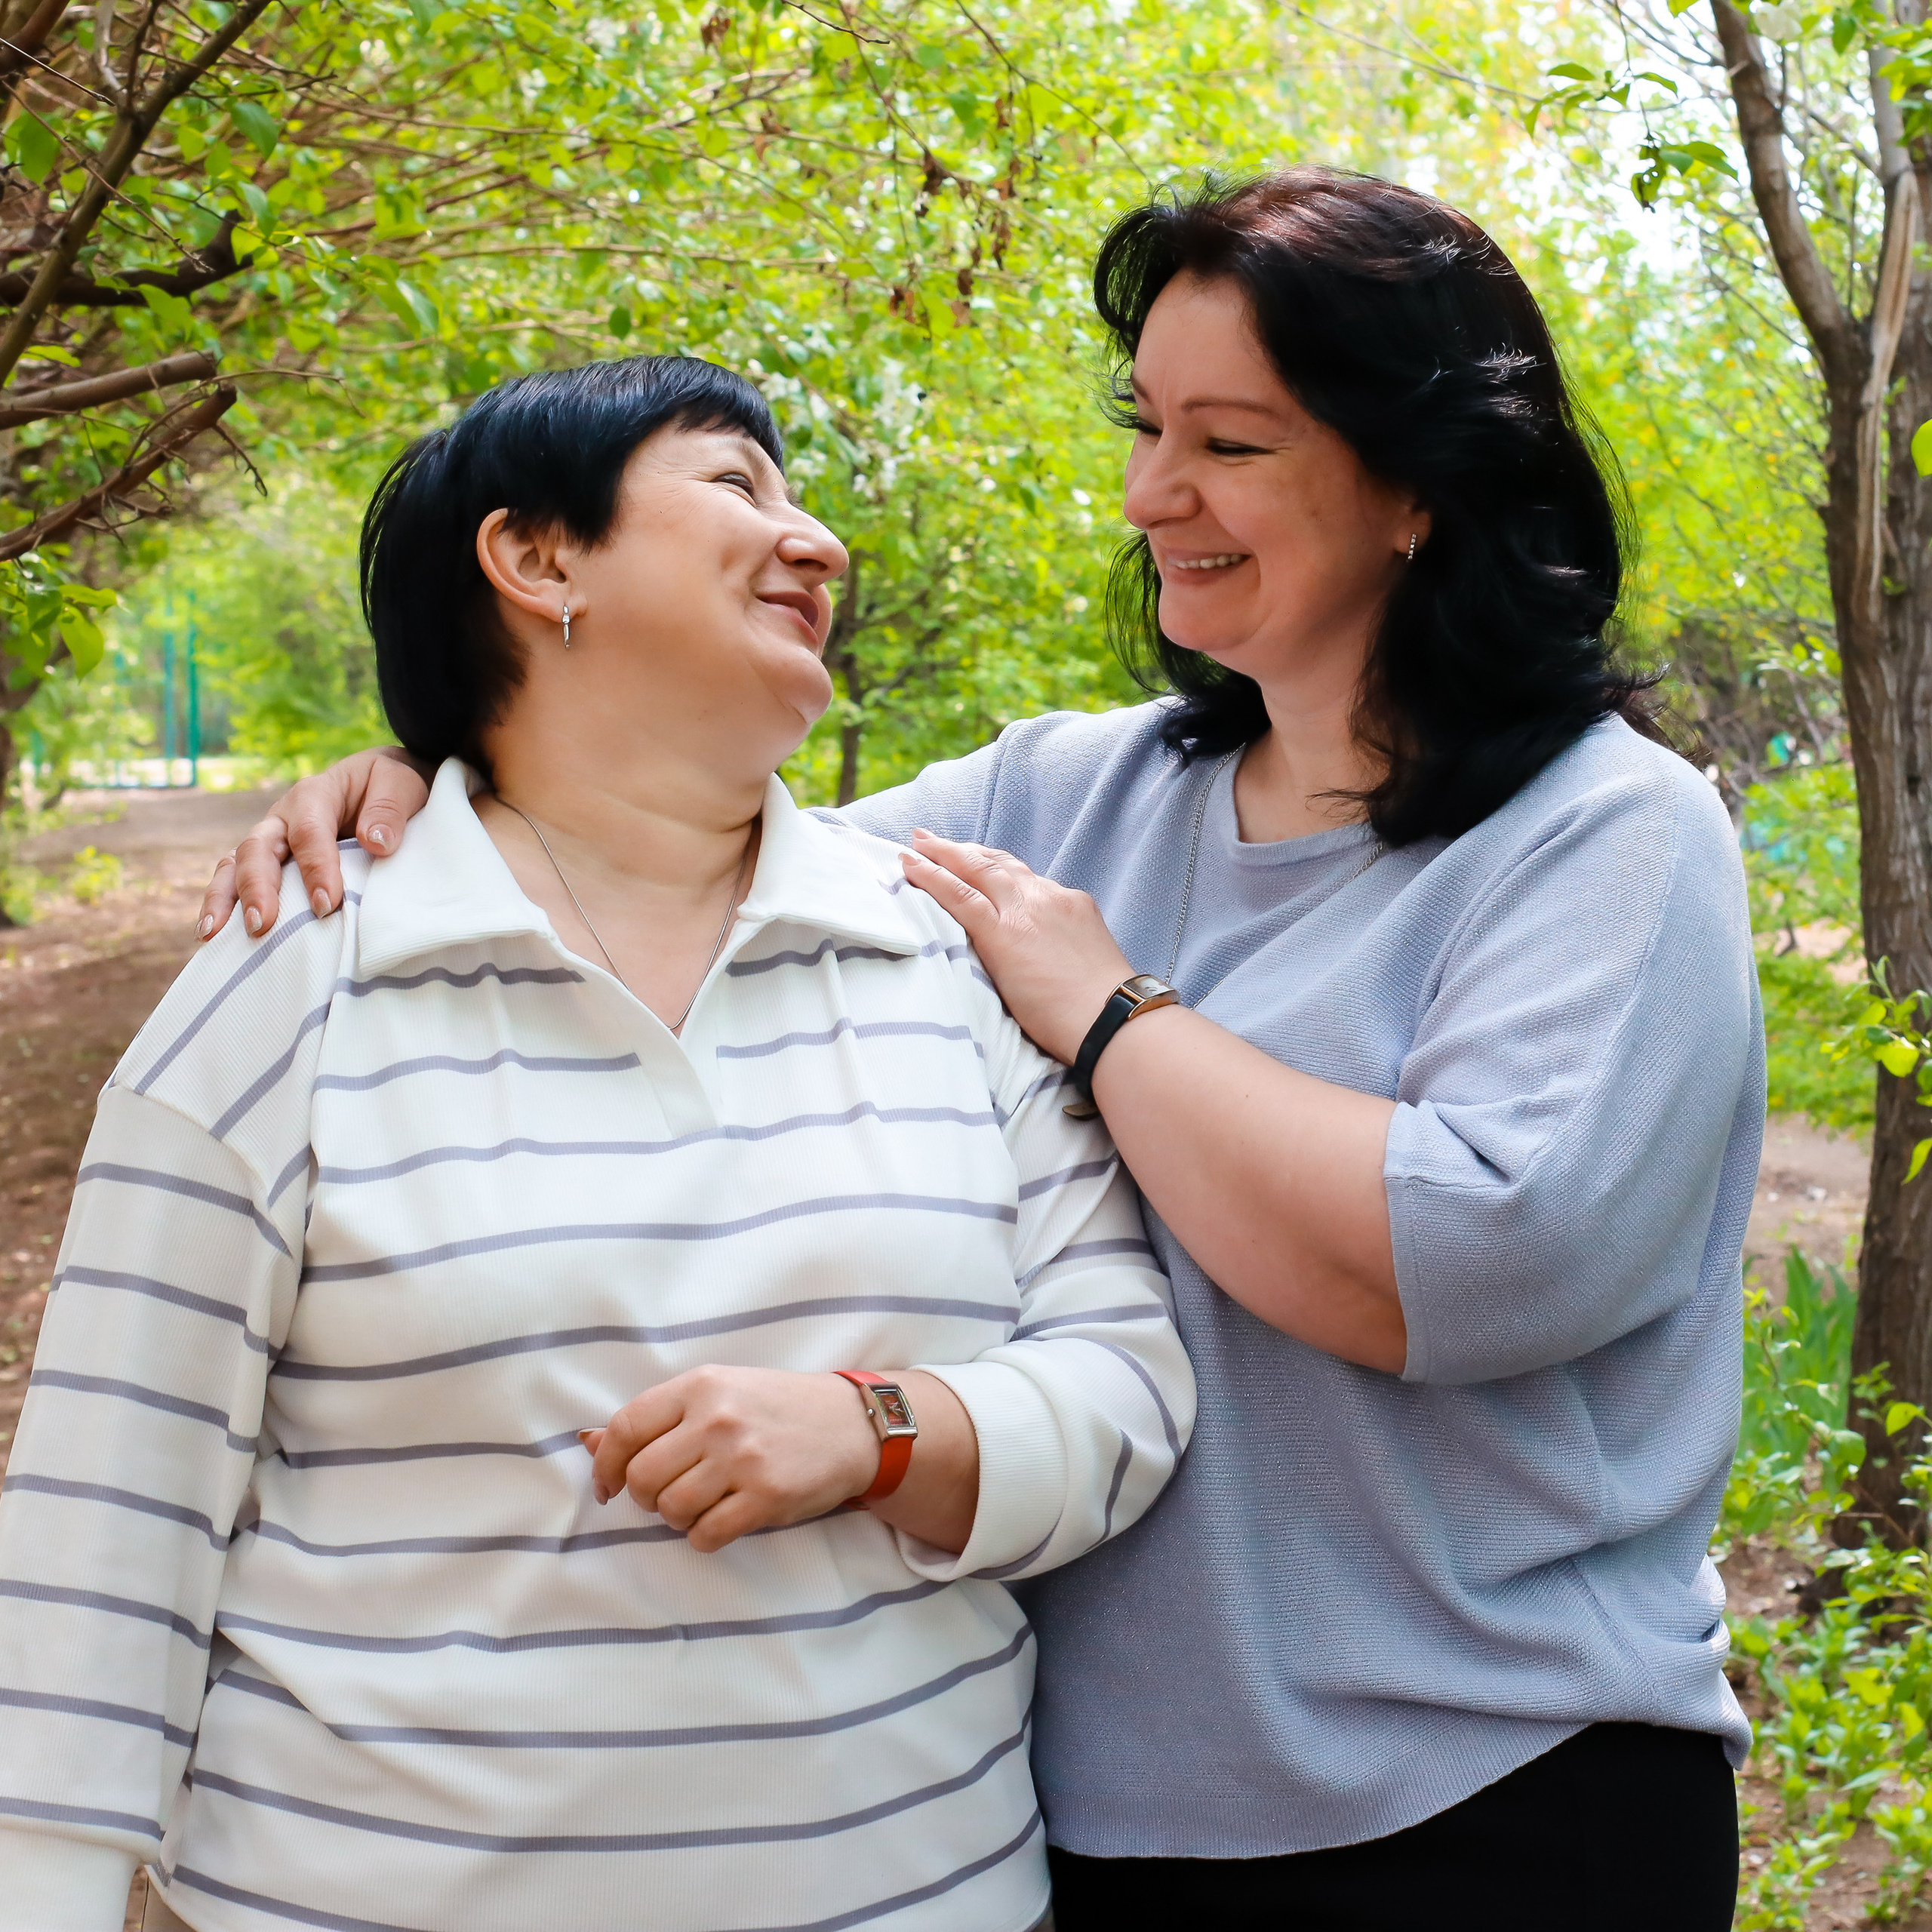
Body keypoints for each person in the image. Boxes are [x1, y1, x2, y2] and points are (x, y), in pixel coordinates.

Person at [195, 168, 1762, 1930]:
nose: (1150, 494)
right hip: (1087, 1810)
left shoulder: (1603, 835)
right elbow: (666, 841)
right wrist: (439, 780)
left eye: (1228, 444)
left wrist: (1103, 1012)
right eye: (1144, 425)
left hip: (1492, 1803)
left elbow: (1462, 1260)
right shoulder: (1062, 796)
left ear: (1417, 485)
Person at [0, 355, 1194, 1932]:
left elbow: (1127, 1375)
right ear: (539, 557)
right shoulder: (299, 965)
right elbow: (109, 1524)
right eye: (736, 484)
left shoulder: (937, 951)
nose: (816, 541)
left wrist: (882, 1429)